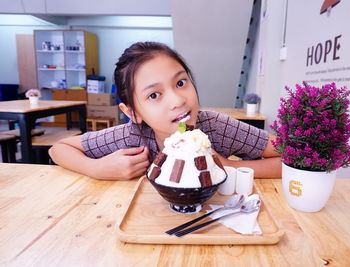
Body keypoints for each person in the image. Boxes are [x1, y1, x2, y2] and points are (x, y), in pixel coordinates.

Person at [49, 42, 281, 180]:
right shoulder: (132, 136)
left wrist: (230, 167)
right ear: (133, 113)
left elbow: (291, 154)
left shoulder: (215, 126)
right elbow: (59, 148)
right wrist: (98, 168)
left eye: (180, 83)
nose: (177, 100)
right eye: (153, 95)